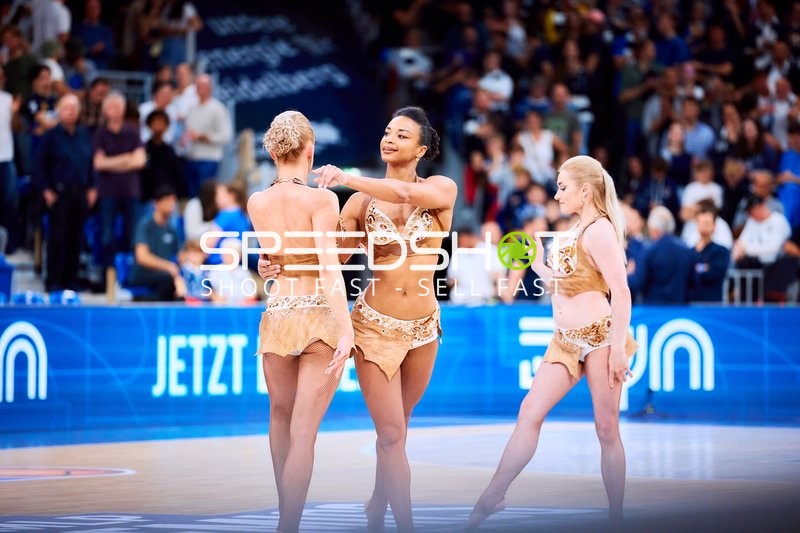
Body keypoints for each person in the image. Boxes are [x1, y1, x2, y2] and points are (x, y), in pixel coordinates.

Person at [465, 155, 637, 529]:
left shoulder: (600, 231)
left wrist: (619, 348)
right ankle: (494, 494)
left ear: (586, 191)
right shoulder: (573, 231)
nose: (556, 195)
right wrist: (538, 262)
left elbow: (621, 293)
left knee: (607, 429)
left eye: (562, 187)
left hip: (600, 339)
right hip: (565, 340)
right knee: (529, 412)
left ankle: (617, 517)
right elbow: (565, 285)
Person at [311, 106, 457, 532]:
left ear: (422, 149)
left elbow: (407, 196)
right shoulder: (359, 202)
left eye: (402, 135)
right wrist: (278, 263)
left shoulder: (441, 188)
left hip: (425, 328)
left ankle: (377, 504)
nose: (389, 138)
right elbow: (333, 259)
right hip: (374, 327)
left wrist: (345, 176)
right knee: (392, 434)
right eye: (387, 131)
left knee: (399, 429)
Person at [248, 110, 354, 533]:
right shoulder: (322, 199)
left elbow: (274, 260)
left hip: (278, 311)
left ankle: (285, 518)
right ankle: (287, 526)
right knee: (304, 431)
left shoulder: (257, 202)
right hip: (318, 313)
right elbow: (329, 268)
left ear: (272, 151)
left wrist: (264, 265)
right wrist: (346, 328)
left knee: (279, 416)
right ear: (310, 151)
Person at [32, 93, 97, 291]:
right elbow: (38, 165)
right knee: (57, 238)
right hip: (58, 193)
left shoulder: (84, 135)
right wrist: (46, 190)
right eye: (67, 108)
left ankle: (71, 280)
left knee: (76, 239)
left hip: (80, 193)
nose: (71, 112)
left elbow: (91, 163)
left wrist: (93, 187)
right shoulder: (50, 136)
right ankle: (53, 280)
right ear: (60, 111)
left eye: (74, 108)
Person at [628, 206, 694, 305]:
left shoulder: (648, 250)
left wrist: (628, 274)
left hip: (653, 311)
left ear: (654, 230)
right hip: (679, 310)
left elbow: (638, 283)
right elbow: (693, 282)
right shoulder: (686, 249)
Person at [130, 185, 184, 301]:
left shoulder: (172, 229)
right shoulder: (145, 225)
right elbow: (142, 257)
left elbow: (180, 256)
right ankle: (142, 302)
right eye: (167, 200)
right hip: (144, 272)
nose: (171, 205)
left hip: (166, 273)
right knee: (167, 279)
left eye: (173, 201)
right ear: (156, 203)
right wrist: (169, 266)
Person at [688, 203, 730, 302]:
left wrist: (696, 269)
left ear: (714, 225)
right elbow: (686, 275)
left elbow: (714, 273)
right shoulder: (689, 252)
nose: (704, 226)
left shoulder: (721, 251)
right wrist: (703, 267)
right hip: (692, 303)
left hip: (712, 303)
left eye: (707, 223)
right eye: (701, 222)